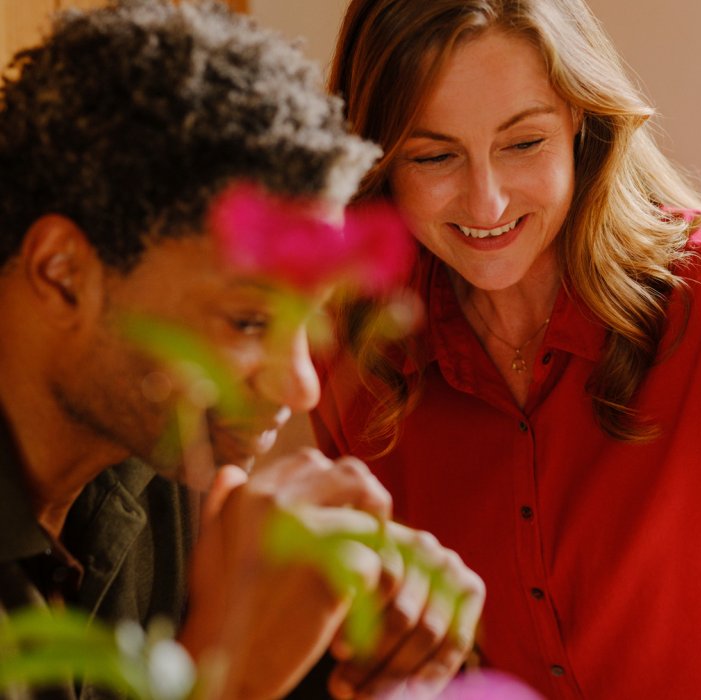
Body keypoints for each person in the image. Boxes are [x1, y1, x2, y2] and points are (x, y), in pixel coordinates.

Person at [311, 0, 701, 698]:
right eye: (433, 156)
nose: (485, 204)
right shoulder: (349, 336)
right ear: (377, 162)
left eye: (523, 144)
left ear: (581, 120)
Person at [0, 1, 484, 699]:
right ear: (63, 273)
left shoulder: (164, 463)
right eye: (248, 322)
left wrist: (363, 640)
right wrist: (226, 675)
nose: (301, 390)